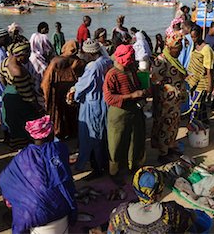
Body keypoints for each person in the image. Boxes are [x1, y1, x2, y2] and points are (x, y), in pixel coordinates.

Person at [0, 115, 77, 234]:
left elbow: (4, 180)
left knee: (18, 213)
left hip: (33, 213)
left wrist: (13, 201)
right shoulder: (60, 149)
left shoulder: (22, 157)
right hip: (62, 208)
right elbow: (64, 178)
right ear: (50, 134)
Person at [68, 39, 112, 176]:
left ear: (90, 54)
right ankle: (104, 162)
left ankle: (98, 167)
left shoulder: (93, 66)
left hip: (93, 103)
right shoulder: (107, 61)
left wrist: (73, 93)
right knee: (103, 134)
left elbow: (83, 86)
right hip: (104, 101)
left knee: (93, 136)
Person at [107, 167, 195, 233]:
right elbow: (191, 220)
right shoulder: (172, 211)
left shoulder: (120, 214)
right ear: (161, 189)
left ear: (135, 188)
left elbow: (110, 231)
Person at [103, 44, 147, 176]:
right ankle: (115, 171)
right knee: (117, 142)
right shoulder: (112, 75)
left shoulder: (132, 69)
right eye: (131, 57)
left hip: (134, 109)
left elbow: (137, 85)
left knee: (136, 139)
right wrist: (131, 96)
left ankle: (134, 165)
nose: (133, 59)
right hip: (119, 112)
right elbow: (109, 98)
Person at [151, 30, 187, 163]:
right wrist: (155, 104)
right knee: (165, 126)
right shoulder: (161, 60)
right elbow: (154, 83)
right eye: (177, 48)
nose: (179, 51)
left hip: (175, 103)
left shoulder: (174, 60)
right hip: (165, 103)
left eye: (180, 48)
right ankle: (163, 153)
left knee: (173, 125)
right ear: (169, 47)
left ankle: (170, 146)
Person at [0, 41, 42, 149]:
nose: (28, 58)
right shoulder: (18, 72)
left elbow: (1, 77)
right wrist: (39, 109)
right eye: (27, 55)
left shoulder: (5, 61)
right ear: (20, 55)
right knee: (30, 127)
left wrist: (9, 87)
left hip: (9, 96)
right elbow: (28, 97)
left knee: (15, 126)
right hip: (20, 101)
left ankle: (20, 149)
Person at [41, 41, 85, 139]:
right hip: (72, 91)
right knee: (72, 112)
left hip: (57, 91)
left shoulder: (56, 61)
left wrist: (45, 95)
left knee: (58, 113)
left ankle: (60, 132)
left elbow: (46, 81)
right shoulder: (79, 62)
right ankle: (73, 132)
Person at [185, 25, 214, 125]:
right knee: (200, 105)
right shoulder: (194, 47)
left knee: (195, 105)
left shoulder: (206, 49)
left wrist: (210, 86)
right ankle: (204, 123)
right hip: (193, 81)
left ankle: (193, 124)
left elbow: (208, 70)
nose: (193, 39)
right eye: (192, 37)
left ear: (200, 36)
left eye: (195, 37)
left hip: (202, 82)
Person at [29, 22, 54, 105]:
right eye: (46, 28)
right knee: (43, 81)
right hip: (40, 61)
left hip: (32, 59)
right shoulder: (44, 37)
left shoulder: (33, 35)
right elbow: (49, 50)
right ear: (42, 29)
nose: (48, 30)